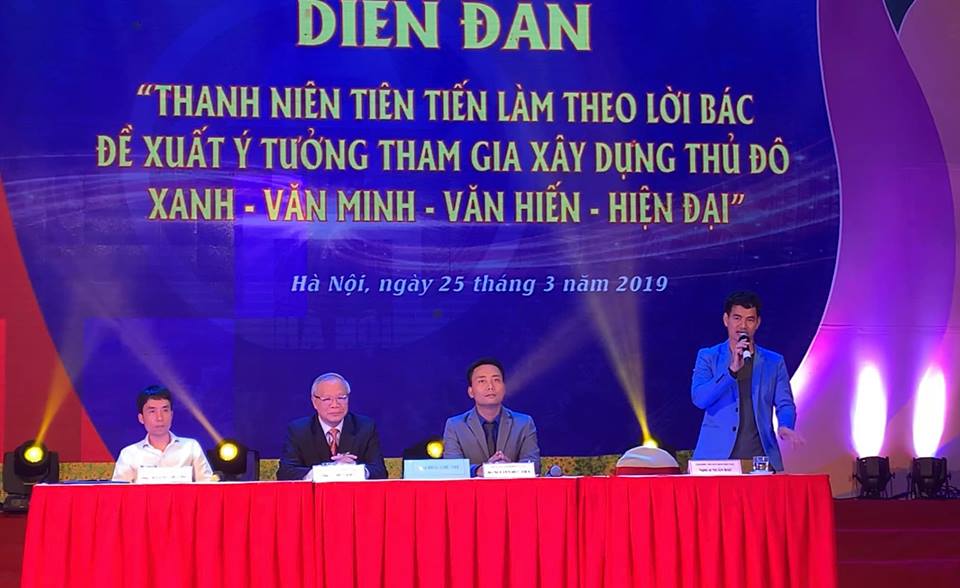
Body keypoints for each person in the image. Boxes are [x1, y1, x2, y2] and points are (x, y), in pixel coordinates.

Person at [691, 291, 803, 472]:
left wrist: (785, 425)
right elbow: (700, 399)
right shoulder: (708, 357)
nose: (743, 325)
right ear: (726, 320)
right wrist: (731, 371)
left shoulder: (773, 362)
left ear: (757, 323)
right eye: (737, 318)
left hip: (760, 459)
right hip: (715, 460)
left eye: (750, 320)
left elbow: (785, 403)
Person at [277, 372, 387, 480]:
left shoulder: (365, 427)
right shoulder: (298, 430)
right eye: (327, 399)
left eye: (341, 398)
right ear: (314, 402)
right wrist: (327, 471)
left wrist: (354, 470)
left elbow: (380, 471)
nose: (335, 405)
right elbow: (285, 472)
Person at [442, 358, 541, 476]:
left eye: (496, 380)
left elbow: (534, 465)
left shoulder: (524, 423)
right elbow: (452, 468)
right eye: (482, 381)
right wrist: (481, 470)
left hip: (512, 487)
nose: (490, 386)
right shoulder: (455, 425)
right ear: (471, 392)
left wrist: (510, 468)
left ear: (504, 388)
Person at [112, 385, 215, 482]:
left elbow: (208, 486)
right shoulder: (129, 454)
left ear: (171, 415)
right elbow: (118, 492)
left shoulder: (191, 447)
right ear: (141, 418)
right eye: (152, 411)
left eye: (165, 410)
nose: (160, 418)